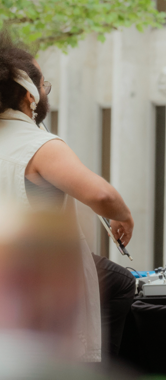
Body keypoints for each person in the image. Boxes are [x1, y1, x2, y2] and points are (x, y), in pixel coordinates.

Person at [0, 30, 136, 363]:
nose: (47, 93)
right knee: (120, 283)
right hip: (39, 294)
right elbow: (101, 194)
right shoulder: (39, 145)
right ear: (30, 95)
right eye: (44, 86)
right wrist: (123, 215)